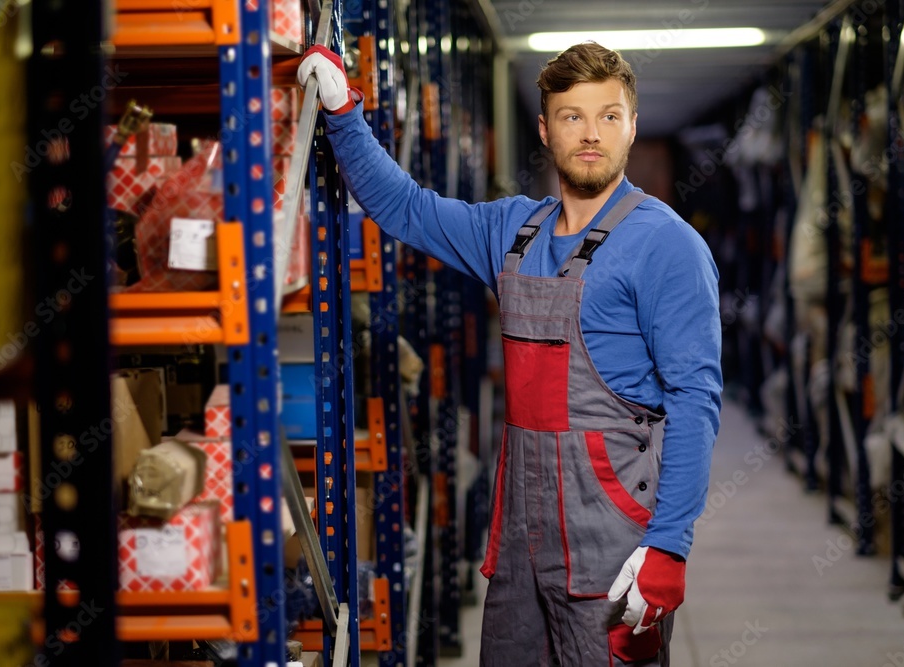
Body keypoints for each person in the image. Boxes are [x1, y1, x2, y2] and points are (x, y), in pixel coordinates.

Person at [298, 41, 722, 667]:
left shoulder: (667, 246)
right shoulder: (512, 231)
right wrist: (342, 114)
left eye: (609, 116)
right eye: (573, 116)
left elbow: (696, 401)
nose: (591, 134)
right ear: (546, 129)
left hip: (611, 538)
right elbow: (405, 209)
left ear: (631, 126)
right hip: (522, 535)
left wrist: (670, 545)